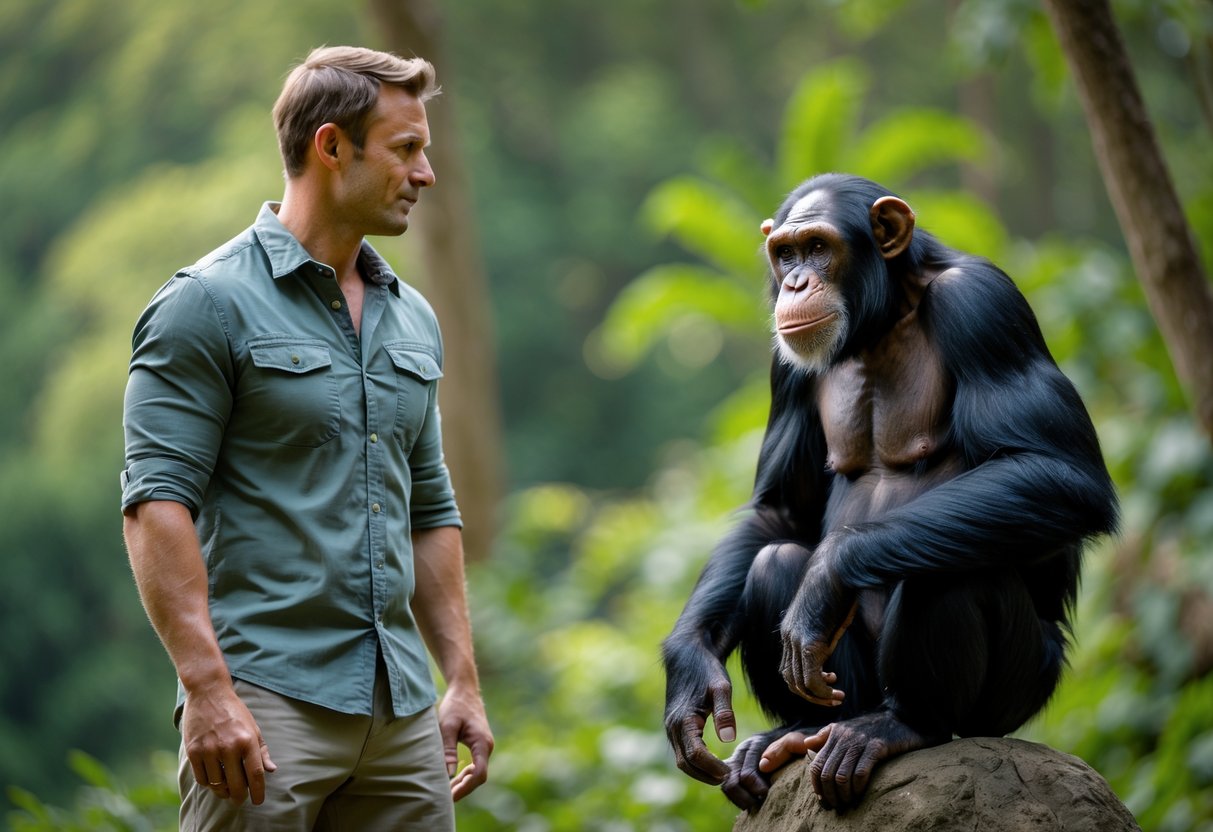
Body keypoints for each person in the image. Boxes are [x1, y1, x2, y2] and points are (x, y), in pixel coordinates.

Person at [120, 45, 493, 830]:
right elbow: (155, 503)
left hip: (400, 713)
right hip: (264, 709)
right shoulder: (205, 305)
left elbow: (429, 506)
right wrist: (207, 689)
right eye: (406, 149)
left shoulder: (411, 315)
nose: (425, 173)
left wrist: (460, 678)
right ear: (331, 147)